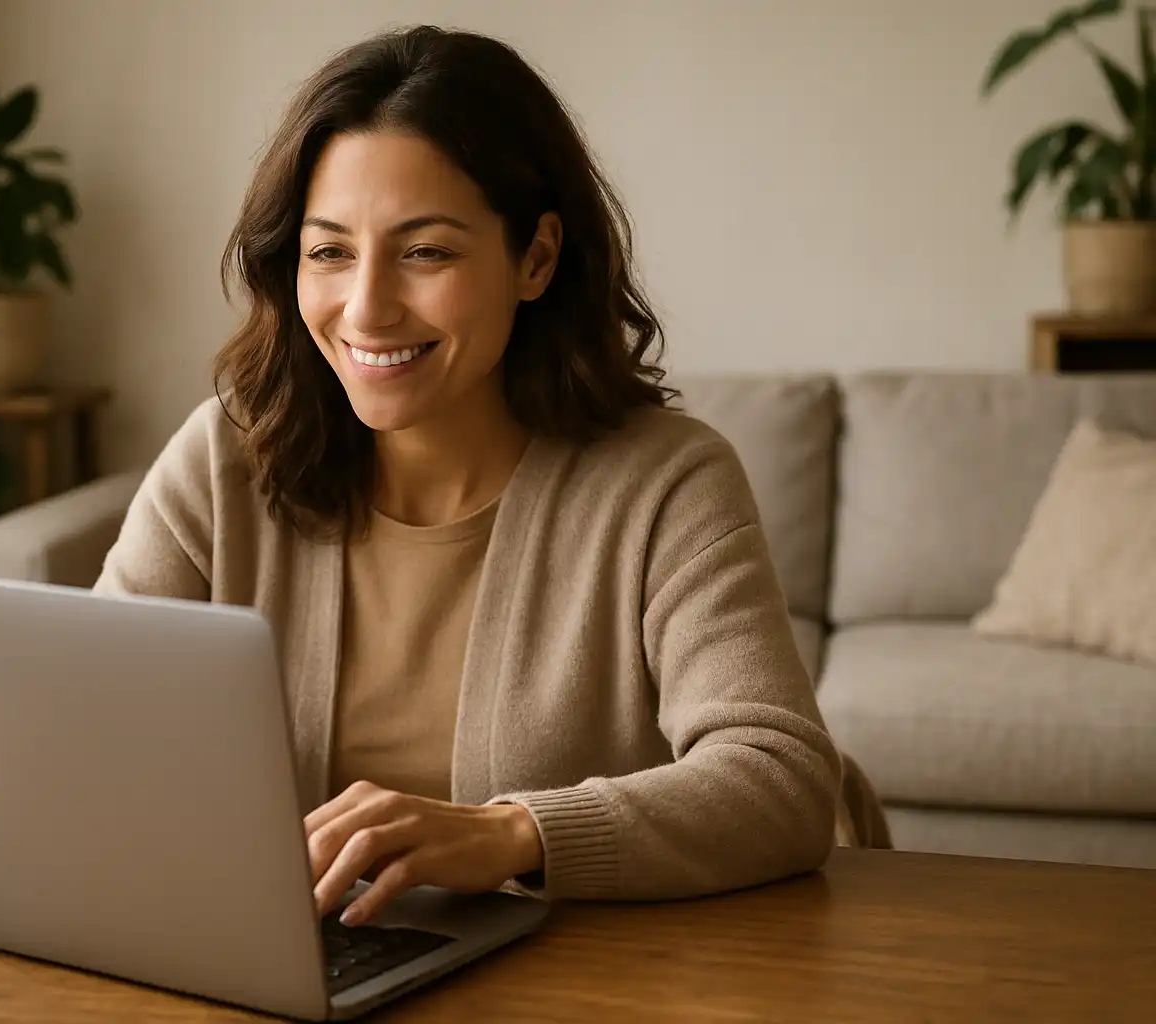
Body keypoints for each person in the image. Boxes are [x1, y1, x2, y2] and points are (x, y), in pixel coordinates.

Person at [95, 24, 886, 927]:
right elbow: (91, 723)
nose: (367, 307)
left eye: (426, 251)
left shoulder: (668, 481)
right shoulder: (225, 458)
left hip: (581, 985)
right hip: (298, 969)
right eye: (329, 251)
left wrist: (514, 833)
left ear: (536, 258)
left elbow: (779, 779)